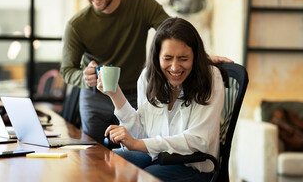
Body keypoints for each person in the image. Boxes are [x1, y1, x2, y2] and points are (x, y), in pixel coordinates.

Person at [60, 0, 231, 145]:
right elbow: (67, 70)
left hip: (135, 94)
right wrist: (83, 77)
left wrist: (200, 56)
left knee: (131, 154)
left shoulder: (141, 5)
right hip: (95, 98)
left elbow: (175, 35)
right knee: (94, 154)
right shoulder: (77, 25)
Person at [97, 17, 227, 181]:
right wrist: (115, 93)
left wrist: (137, 144)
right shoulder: (148, 77)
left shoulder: (210, 77)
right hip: (157, 157)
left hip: (193, 166)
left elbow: (198, 140)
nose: (174, 67)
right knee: (105, 162)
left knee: (142, 178)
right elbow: (142, 132)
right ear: (157, 56)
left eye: (183, 59)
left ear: (195, 56)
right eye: (167, 58)